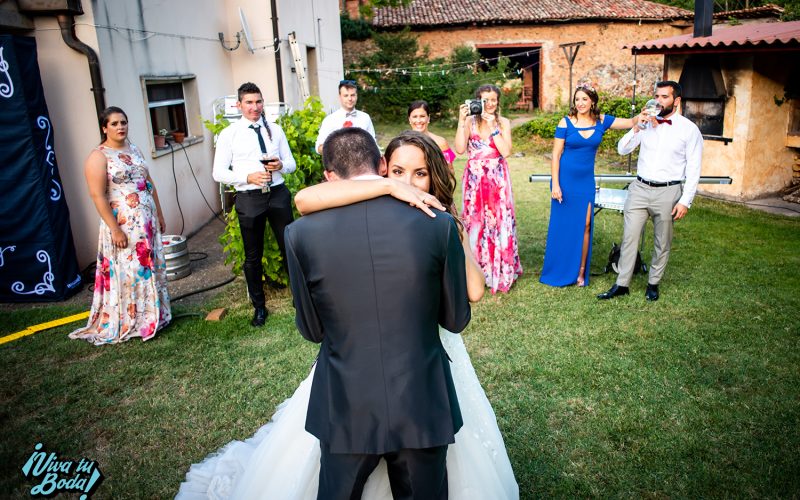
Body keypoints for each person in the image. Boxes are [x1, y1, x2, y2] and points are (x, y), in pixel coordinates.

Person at [176, 132, 519, 500]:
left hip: (345, 403)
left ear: (329, 175)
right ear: (383, 166)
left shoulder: (300, 233)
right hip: (421, 401)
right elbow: (455, 320)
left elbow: (312, 329)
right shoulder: (436, 226)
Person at [69, 107, 171, 345]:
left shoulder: (133, 149)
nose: (120, 127)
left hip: (146, 222)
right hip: (123, 225)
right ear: (104, 128)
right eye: (114, 123)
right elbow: (97, 195)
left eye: (123, 122)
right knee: (131, 270)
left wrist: (159, 213)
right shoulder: (98, 156)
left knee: (148, 267)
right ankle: (130, 318)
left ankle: (152, 315)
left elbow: (147, 182)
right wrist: (115, 228)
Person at [597, 81, 702, 301]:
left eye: (665, 96)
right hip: (639, 188)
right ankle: (622, 283)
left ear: (677, 101)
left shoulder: (689, 130)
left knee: (662, 241)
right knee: (629, 237)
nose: (659, 100)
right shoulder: (646, 124)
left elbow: (694, 169)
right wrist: (636, 126)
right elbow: (622, 149)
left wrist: (685, 201)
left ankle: (653, 283)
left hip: (668, 191)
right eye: (657, 96)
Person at [212, 82, 296, 326]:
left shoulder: (275, 130)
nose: (255, 107)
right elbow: (218, 172)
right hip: (249, 198)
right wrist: (247, 177)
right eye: (249, 102)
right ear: (239, 105)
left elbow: (290, 164)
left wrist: (281, 165)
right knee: (252, 255)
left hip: (278, 193)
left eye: (258, 101)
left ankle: (299, 299)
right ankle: (259, 307)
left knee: (289, 248)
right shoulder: (229, 134)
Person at [540, 84, 636, 287]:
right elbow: (556, 155)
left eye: (584, 99)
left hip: (585, 182)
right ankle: (559, 269)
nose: (580, 103)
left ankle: (580, 271)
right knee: (562, 226)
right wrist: (555, 184)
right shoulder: (565, 122)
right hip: (564, 180)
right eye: (577, 99)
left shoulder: (602, 120)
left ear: (592, 101)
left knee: (585, 225)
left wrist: (645, 116)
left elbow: (631, 122)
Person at [455, 84, 522, 294]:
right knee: (476, 222)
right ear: (477, 101)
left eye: (493, 100)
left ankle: (500, 270)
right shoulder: (469, 122)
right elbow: (458, 149)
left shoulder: (503, 123)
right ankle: (476, 271)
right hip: (475, 179)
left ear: (498, 101)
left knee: (498, 221)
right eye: (485, 100)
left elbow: (506, 151)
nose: (490, 104)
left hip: (497, 179)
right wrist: (460, 121)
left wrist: (493, 127)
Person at [314, 79, 376, 154]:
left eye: (352, 95)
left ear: (357, 96)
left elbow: (373, 144)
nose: (350, 99)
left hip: (362, 163)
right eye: (346, 95)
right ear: (340, 97)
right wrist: (335, 147)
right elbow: (318, 148)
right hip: (338, 164)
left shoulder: (365, 118)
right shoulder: (330, 120)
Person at [407, 100, 456, 169]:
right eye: (415, 117)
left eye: (422, 116)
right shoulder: (402, 142)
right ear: (409, 119)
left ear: (428, 118)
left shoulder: (441, 142)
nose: (418, 120)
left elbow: (450, 171)